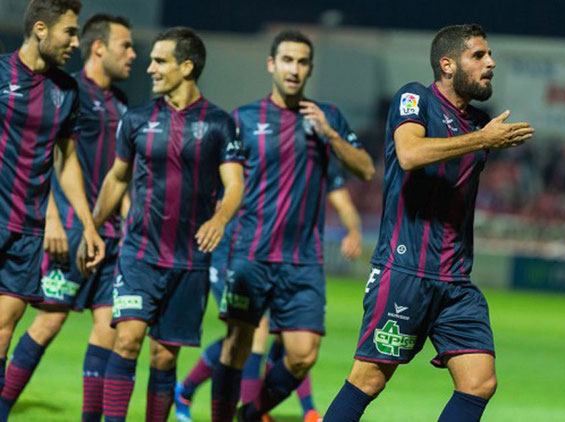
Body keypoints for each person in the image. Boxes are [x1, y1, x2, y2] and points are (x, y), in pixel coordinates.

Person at [323, 24, 535, 422]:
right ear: (448, 64)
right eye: (479, 55)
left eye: (490, 55)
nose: (491, 63)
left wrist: (482, 137)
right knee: (368, 380)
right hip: (406, 270)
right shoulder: (414, 97)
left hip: (455, 280)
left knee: (479, 383)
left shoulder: (479, 120)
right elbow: (409, 153)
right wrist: (482, 141)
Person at [210, 29, 375, 422]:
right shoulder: (244, 119)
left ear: (309, 69)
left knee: (302, 355)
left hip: (302, 260)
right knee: (237, 345)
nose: (294, 69)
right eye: (287, 60)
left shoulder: (326, 116)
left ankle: (251, 413)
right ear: (271, 64)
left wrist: (330, 133)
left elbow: (366, 169)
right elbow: (226, 186)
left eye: (302, 62)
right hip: (252, 252)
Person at [81, 27, 245, 421]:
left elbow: (235, 183)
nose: (150, 67)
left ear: (186, 67)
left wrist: (221, 217)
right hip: (139, 253)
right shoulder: (136, 118)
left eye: (160, 60)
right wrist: (92, 227)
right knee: (128, 338)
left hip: (189, 262)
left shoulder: (221, 124)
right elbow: (117, 178)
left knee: (163, 354)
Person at [0, 14, 136, 421]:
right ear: (100, 48)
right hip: (64, 229)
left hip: (106, 234)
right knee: (48, 321)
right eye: (125, 46)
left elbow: (115, 174)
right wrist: (55, 220)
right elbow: (52, 160)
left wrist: (127, 223)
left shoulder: (119, 103)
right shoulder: (69, 89)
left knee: (111, 331)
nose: (132, 54)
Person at [174, 160, 363, 422]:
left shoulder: (316, 152)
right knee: (254, 330)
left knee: (289, 336)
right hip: (233, 251)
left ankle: (303, 409)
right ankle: (247, 410)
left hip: (281, 258)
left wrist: (353, 230)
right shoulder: (260, 145)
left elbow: (350, 189)